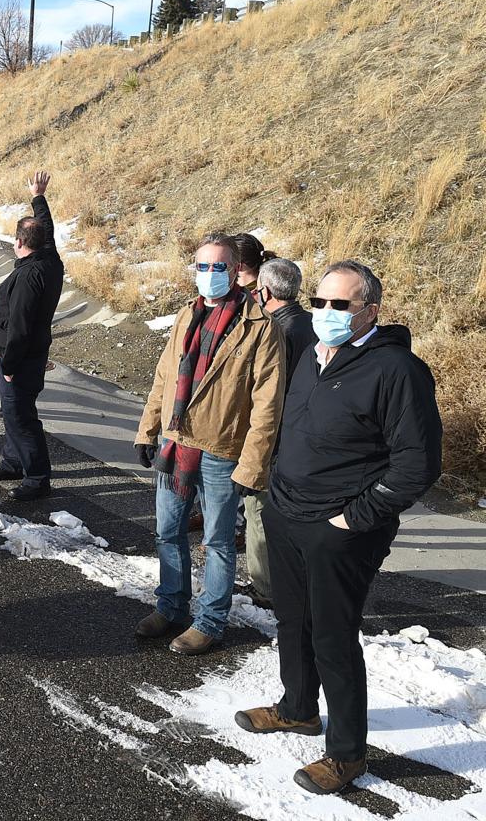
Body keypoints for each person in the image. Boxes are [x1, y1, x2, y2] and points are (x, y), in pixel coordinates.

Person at [237, 260, 442, 794]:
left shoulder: (397, 370)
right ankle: (298, 708)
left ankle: (348, 755)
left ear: (369, 310)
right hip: (287, 512)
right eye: (320, 302)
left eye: (340, 305)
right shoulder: (310, 353)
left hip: (342, 528)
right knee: (291, 621)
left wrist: (355, 516)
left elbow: (417, 463)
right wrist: (275, 490)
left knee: (332, 637)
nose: (326, 313)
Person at [133, 232, 284, 655]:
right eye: (203, 266)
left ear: (237, 271)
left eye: (219, 266)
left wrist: (254, 466)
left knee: (217, 542)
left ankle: (210, 621)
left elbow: (266, 405)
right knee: (167, 531)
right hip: (175, 441)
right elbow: (165, 376)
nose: (210, 274)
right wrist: (148, 428)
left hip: (221, 450)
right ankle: (171, 607)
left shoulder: (260, 328)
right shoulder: (187, 315)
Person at [238, 257, 316, 605]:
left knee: (261, 514)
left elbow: (268, 394)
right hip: (309, 440)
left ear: (264, 292)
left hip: (277, 438)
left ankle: (266, 588)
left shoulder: (274, 331)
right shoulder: (313, 325)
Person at [0, 172, 62, 500]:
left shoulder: (30, 277)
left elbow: (20, 328)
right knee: (12, 412)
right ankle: (13, 461)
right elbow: (47, 229)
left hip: (21, 360)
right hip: (28, 356)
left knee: (20, 416)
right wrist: (38, 197)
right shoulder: (51, 259)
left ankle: (37, 478)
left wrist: (10, 364)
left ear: (18, 243)